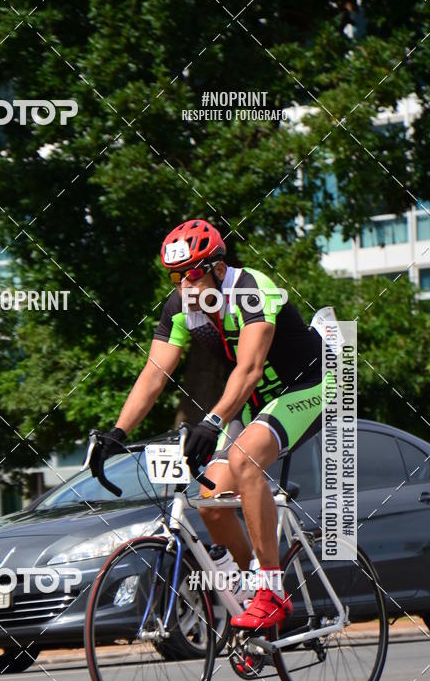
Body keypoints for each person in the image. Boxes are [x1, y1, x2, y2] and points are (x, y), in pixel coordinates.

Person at [89, 218, 325, 631]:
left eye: (193, 274)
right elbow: (154, 374)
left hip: (309, 386)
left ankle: (272, 592)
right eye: (176, 276)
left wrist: (213, 421)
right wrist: (117, 432)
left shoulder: (251, 289)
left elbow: (250, 369)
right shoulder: (181, 307)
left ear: (218, 267)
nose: (185, 285)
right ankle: (249, 599)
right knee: (212, 501)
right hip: (255, 403)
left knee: (245, 459)